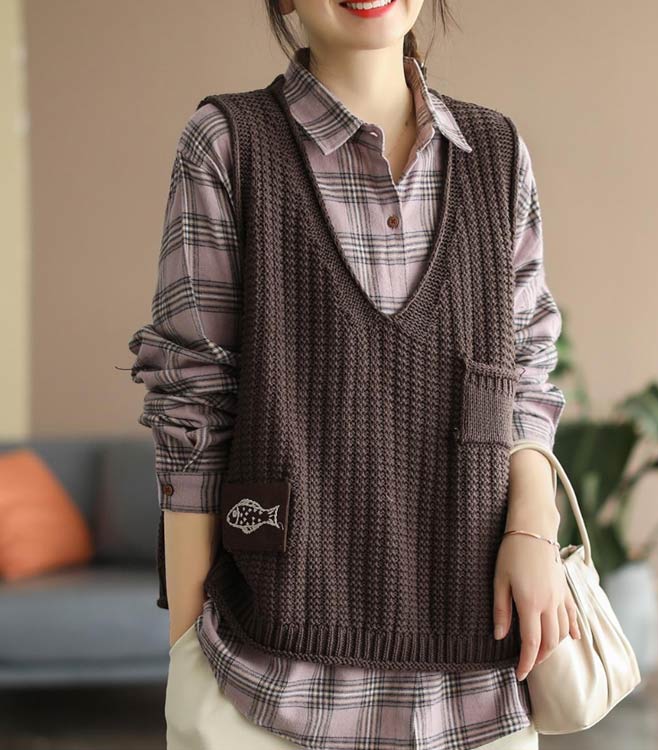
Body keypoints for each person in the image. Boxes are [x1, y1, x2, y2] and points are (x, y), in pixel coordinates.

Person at [128, 1, 578, 748]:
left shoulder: (495, 153)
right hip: (264, 679)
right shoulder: (228, 144)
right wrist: (186, 654)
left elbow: (523, 376)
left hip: (473, 688)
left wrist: (533, 528)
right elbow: (192, 409)